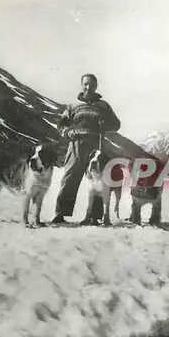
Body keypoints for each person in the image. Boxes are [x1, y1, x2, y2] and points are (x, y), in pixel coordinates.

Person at [51, 73, 121, 224]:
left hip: (96, 147)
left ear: (96, 87)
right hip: (76, 145)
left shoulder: (104, 106)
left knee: (97, 181)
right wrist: (68, 132)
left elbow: (116, 124)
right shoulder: (72, 106)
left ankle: (94, 217)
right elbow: (61, 124)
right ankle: (60, 214)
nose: (88, 87)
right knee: (69, 177)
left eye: (91, 84)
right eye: (85, 84)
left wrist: (106, 125)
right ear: (81, 85)